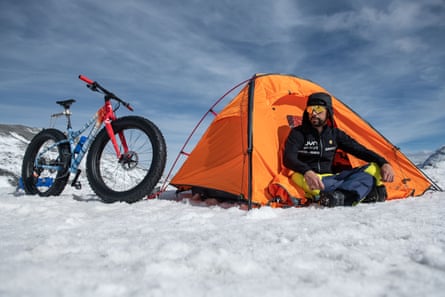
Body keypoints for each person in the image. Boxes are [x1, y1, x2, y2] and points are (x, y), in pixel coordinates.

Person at [283, 92, 395, 207]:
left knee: (374, 168)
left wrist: (384, 163)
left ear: (328, 112)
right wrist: (306, 171)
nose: (314, 113)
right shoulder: (298, 133)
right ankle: (355, 193)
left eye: (319, 109)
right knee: (299, 178)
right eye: (311, 109)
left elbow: (360, 150)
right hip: (308, 178)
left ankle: (339, 195)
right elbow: (288, 158)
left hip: (332, 178)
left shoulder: (335, 134)